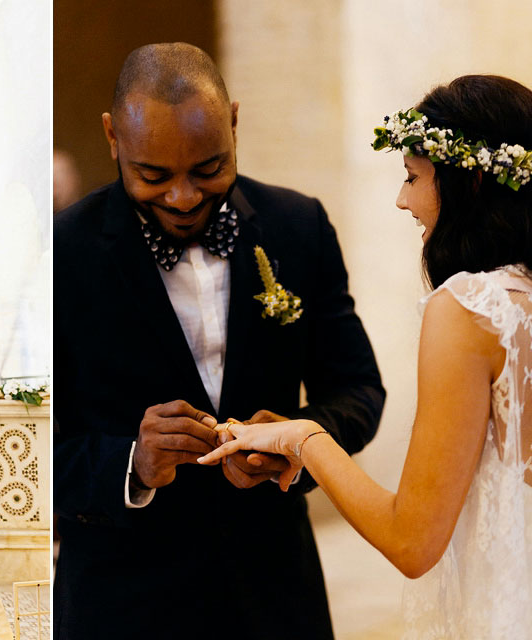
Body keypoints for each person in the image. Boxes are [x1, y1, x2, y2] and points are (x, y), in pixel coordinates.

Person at [53, 42, 385, 638]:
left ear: (233, 121)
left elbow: (359, 390)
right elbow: (25, 450)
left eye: (208, 169)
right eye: (153, 176)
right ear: (112, 138)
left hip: (276, 594)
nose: (183, 198)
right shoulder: (60, 253)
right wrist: (130, 462)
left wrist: (300, 444)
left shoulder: (298, 225)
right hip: (122, 603)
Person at [200, 74, 532, 638]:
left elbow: (413, 541)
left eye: (412, 177)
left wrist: (304, 437)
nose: (402, 199)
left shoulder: (470, 307)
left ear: (470, 182)